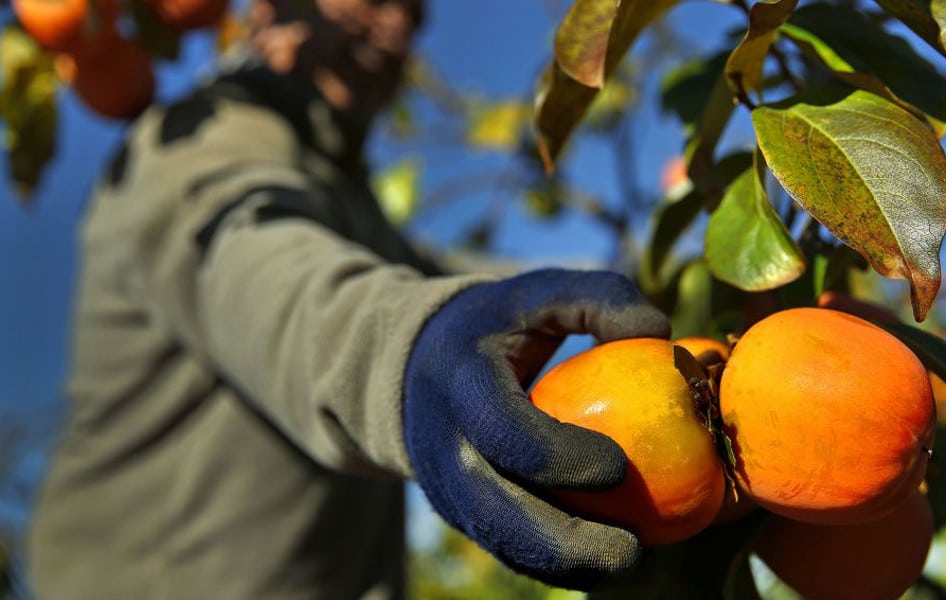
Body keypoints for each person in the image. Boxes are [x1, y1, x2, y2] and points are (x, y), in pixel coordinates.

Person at [27, 0, 671, 598]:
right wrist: (416, 345)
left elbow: (470, 284)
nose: (396, 29)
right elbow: (280, 283)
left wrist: (659, 272)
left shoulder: (345, 196)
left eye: (412, 18)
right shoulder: (189, 146)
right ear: (269, 14)